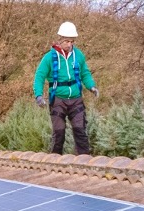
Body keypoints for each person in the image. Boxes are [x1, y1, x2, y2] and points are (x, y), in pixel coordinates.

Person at [33, 22, 99, 155]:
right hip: (58, 99)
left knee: (80, 131)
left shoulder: (78, 55)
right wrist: (38, 95)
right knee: (59, 133)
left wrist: (91, 86)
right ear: (59, 39)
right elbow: (39, 76)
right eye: (66, 41)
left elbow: (85, 73)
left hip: (76, 99)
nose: (69, 44)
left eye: (72, 41)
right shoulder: (49, 58)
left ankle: (84, 160)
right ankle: (54, 162)